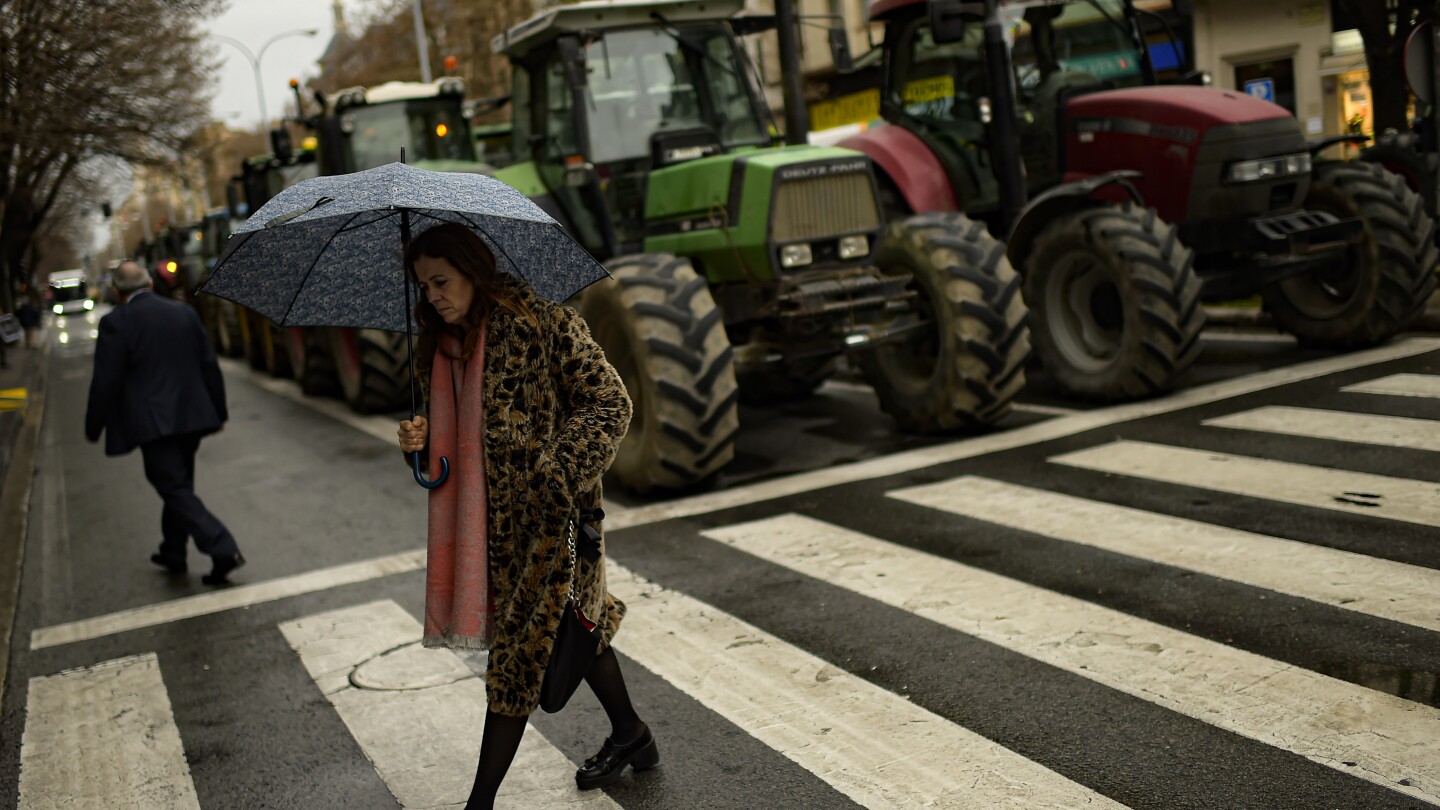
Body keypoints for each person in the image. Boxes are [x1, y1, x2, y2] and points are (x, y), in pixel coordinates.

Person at [395, 223, 651, 809]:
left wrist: (556, 474)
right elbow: (452, 446)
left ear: (473, 271)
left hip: (554, 525)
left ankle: (478, 803)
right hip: (483, 530)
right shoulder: (436, 346)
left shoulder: (543, 324)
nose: (433, 295)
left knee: (517, 659)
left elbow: (611, 402)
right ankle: (632, 733)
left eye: (442, 280)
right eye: (424, 285)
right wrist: (417, 440)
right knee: (575, 630)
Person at [85, 261, 245, 585]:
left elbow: (106, 381)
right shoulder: (183, 312)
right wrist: (219, 412)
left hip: (154, 423)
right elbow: (208, 364)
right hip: (193, 416)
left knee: (172, 487)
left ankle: (222, 547)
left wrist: (93, 426)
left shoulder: (116, 322)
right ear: (151, 284)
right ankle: (172, 551)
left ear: (118, 292)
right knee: (179, 485)